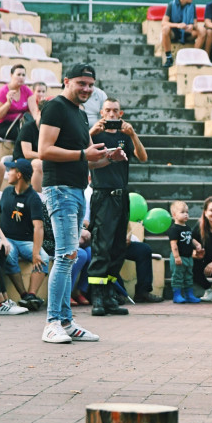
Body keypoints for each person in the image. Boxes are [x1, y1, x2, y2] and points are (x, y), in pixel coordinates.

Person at [37, 64, 125, 343]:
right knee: (64, 257)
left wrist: (109, 157)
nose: (86, 89)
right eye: (81, 83)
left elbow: (90, 158)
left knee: (69, 256)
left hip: (76, 189)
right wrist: (83, 154)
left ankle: (66, 321)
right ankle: (52, 322)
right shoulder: (55, 107)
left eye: (90, 84)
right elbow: (44, 150)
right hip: (59, 189)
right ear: (67, 82)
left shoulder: (80, 113)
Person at [87, 98, 148, 316]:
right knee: (101, 247)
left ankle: (109, 295)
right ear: (102, 113)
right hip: (103, 195)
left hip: (122, 196)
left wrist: (132, 134)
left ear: (120, 113)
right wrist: (91, 133)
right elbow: (81, 156)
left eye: (115, 111)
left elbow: (143, 157)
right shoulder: (94, 134)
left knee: (117, 248)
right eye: (108, 111)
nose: (112, 115)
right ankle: (97, 298)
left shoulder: (125, 134)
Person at [0, 159, 46, 312]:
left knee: (43, 257)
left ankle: (31, 294)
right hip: (6, 238)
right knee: (9, 255)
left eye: (10, 170)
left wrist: (36, 252)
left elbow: (39, 227)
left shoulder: (33, 198)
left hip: (25, 241)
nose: (8, 173)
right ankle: (25, 296)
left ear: (19, 175)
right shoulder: (6, 192)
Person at [160, 0, 205, 68]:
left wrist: (192, 26)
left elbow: (195, 24)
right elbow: (164, 22)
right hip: (175, 33)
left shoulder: (192, 6)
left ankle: (193, 58)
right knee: (165, 29)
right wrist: (178, 25)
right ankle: (169, 58)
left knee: (202, 30)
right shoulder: (171, 5)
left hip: (187, 33)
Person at [168, 200, 202, 304]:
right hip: (179, 257)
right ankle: (177, 295)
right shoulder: (174, 229)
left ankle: (189, 295)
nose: (186, 214)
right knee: (177, 276)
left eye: (187, 212)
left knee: (188, 276)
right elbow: (173, 244)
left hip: (188, 257)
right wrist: (176, 257)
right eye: (182, 212)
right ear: (174, 215)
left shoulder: (187, 227)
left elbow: (190, 238)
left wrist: (197, 244)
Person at [0, 64, 37, 141]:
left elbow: (34, 111)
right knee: (25, 133)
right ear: (11, 75)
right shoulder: (2, 91)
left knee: (35, 131)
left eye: (23, 75)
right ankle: (19, 152)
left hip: (20, 123)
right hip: (3, 125)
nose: (21, 77)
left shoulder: (26, 90)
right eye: (18, 74)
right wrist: (8, 103)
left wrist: (38, 124)